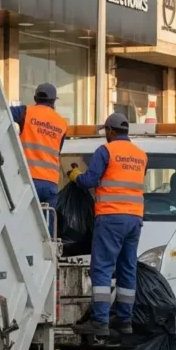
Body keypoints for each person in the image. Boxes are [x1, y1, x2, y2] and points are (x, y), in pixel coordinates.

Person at [68, 113, 147, 338]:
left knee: (102, 268)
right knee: (127, 268)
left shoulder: (106, 151)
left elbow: (89, 181)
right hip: (134, 219)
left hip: (111, 216)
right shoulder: (141, 155)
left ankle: (100, 321)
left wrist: (74, 175)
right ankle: (124, 319)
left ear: (110, 131)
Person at [11, 83, 67, 237]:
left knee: (23, 223)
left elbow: (2, 113)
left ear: (36, 97)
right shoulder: (62, 123)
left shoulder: (26, 112)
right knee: (47, 230)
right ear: (53, 101)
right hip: (50, 182)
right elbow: (57, 150)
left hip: (28, 179)